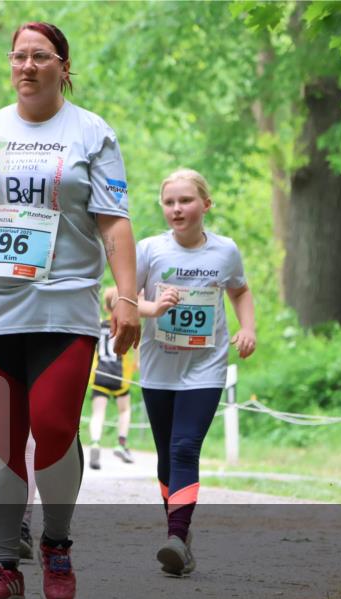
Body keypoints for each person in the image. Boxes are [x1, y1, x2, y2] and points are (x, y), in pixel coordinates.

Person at [0, 23, 140, 599]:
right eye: (18, 57)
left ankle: (56, 541)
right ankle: (5, 566)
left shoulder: (91, 133)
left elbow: (114, 222)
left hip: (63, 306)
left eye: (39, 57)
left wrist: (127, 296)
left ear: (63, 66)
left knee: (54, 426)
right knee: (1, 438)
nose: (26, 66)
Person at [137, 168, 255, 576]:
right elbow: (120, 298)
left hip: (205, 367)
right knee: (166, 456)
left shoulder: (225, 251)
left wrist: (248, 328)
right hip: (157, 367)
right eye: (169, 202)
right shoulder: (150, 250)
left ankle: (175, 533)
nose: (176, 209)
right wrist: (152, 308)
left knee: (185, 448)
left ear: (205, 204)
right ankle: (180, 537)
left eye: (185, 201)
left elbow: (239, 290)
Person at [87, 286, 137, 469]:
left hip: (100, 373)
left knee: (98, 412)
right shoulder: (126, 325)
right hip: (119, 375)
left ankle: (94, 443)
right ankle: (121, 444)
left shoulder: (98, 326)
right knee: (124, 410)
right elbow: (134, 353)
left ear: (106, 307)